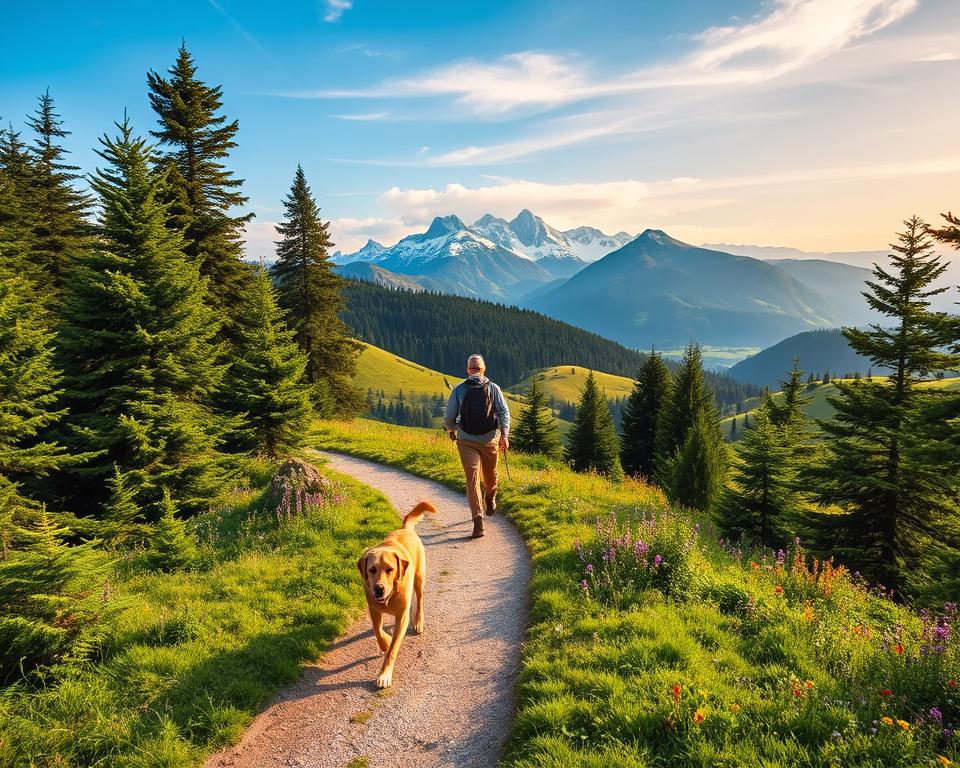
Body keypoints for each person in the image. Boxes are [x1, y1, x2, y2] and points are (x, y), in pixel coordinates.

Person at [443, 354, 511, 539]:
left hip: (466, 441)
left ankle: (478, 521)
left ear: (468, 370)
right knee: (491, 478)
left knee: (471, 479)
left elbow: (449, 416)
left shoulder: (459, 389)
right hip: (490, 441)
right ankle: (490, 497)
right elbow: (504, 412)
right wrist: (504, 435)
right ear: (484, 369)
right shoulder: (494, 388)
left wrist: (451, 429)